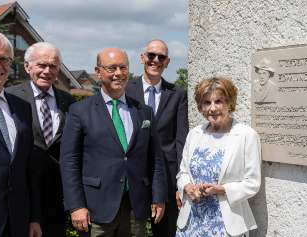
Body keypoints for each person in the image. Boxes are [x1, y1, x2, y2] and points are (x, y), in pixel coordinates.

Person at [60, 48, 167, 237]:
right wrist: (76, 206)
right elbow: (69, 163)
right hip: (96, 210)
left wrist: (158, 197)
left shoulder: (144, 111)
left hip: (135, 207)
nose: (118, 73)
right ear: (98, 71)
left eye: (123, 67)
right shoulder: (79, 111)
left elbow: (155, 159)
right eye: (111, 68)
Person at [176, 77, 261, 237]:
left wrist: (221, 189)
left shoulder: (246, 135)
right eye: (207, 102)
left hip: (225, 224)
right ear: (201, 107)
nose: (212, 108)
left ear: (230, 103)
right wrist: (188, 187)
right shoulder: (195, 134)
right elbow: (183, 173)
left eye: (218, 101)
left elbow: (253, 183)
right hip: (191, 221)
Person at [6, 42, 76, 237]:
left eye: (53, 66)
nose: (47, 71)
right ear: (28, 67)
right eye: (41, 65)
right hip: (22, 194)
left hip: (57, 197)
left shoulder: (69, 101)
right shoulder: (10, 97)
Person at [126, 39, 188, 237]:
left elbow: (181, 140)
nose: (155, 60)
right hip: (133, 175)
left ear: (167, 62)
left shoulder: (178, 94)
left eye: (161, 57)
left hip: (168, 178)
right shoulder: (126, 90)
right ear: (142, 58)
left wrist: (181, 184)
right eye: (151, 55)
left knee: (166, 232)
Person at [0, 31, 39, 237]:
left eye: (4, 60)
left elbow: (28, 168)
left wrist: (34, 217)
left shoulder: (22, 108)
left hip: (17, 220)